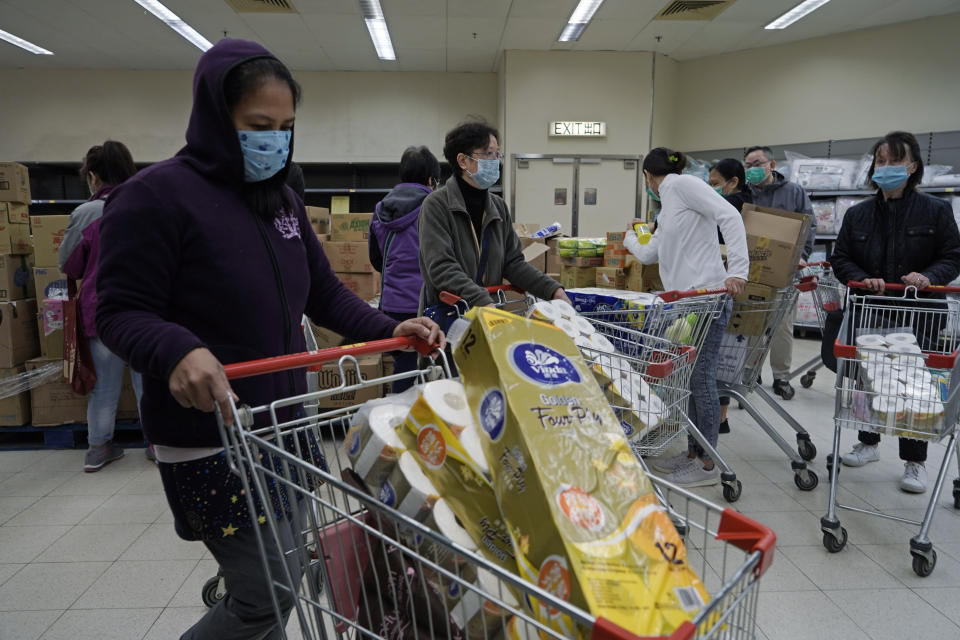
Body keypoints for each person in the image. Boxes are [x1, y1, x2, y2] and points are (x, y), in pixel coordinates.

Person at [96, 39, 443, 639]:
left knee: (289, 575)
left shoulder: (279, 199)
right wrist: (177, 347)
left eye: (285, 127)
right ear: (215, 117)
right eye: (259, 125)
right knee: (266, 593)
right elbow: (119, 311)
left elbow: (323, 294)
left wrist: (390, 328)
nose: (275, 141)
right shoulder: (153, 198)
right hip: (209, 437)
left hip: (284, 426)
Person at [830, 131, 960, 493]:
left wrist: (928, 276)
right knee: (869, 379)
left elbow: (952, 256)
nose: (884, 168)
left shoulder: (935, 210)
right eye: (880, 161)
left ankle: (914, 462)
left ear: (913, 166)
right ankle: (868, 443)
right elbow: (840, 258)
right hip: (873, 310)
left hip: (921, 312)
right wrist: (863, 278)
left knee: (915, 387)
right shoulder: (858, 214)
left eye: (894, 161)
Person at [625, 148, 750, 488]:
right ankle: (694, 453)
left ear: (648, 177)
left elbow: (731, 217)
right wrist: (630, 237)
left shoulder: (683, 186)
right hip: (687, 305)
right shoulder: (668, 206)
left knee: (700, 380)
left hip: (707, 298)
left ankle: (709, 464)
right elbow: (651, 252)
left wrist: (738, 271)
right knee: (691, 380)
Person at [419, 118, 571, 312]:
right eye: (488, 153)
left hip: (488, 314)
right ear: (463, 160)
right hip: (450, 316)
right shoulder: (436, 206)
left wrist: (552, 290)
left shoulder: (498, 208)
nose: (495, 161)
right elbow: (441, 268)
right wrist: (481, 300)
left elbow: (513, 263)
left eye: (497, 154)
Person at [58, 141, 145, 472]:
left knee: (104, 390)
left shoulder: (86, 214)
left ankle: (98, 449)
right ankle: (156, 443)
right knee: (148, 386)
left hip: (102, 314)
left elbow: (69, 265)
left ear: (93, 176)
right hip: (145, 312)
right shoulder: (149, 207)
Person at [743, 145, 816, 401]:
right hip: (751, 272)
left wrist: (803, 256)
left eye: (756, 164)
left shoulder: (793, 192)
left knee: (782, 326)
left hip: (786, 272)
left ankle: (781, 377)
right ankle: (750, 372)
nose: (751, 170)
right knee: (751, 325)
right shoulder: (745, 193)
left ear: (771, 165)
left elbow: (809, 224)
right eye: (747, 165)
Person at [370, 146, 440, 392]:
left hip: (392, 304)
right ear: (431, 179)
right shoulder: (435, 208)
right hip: (425, 302)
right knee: (433, 365)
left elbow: (376, 259)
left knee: (405, 362)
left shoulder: (381, 210)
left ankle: (400, 415)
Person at [708, 158, 755, 434]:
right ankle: (721, 416)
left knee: (718, 354)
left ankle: (719, 416)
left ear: (733, 181)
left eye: (715, 184)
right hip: (747, 288)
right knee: (728, 353)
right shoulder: (753, 202)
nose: (712, 189)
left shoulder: (733, 205)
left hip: (729, 285)